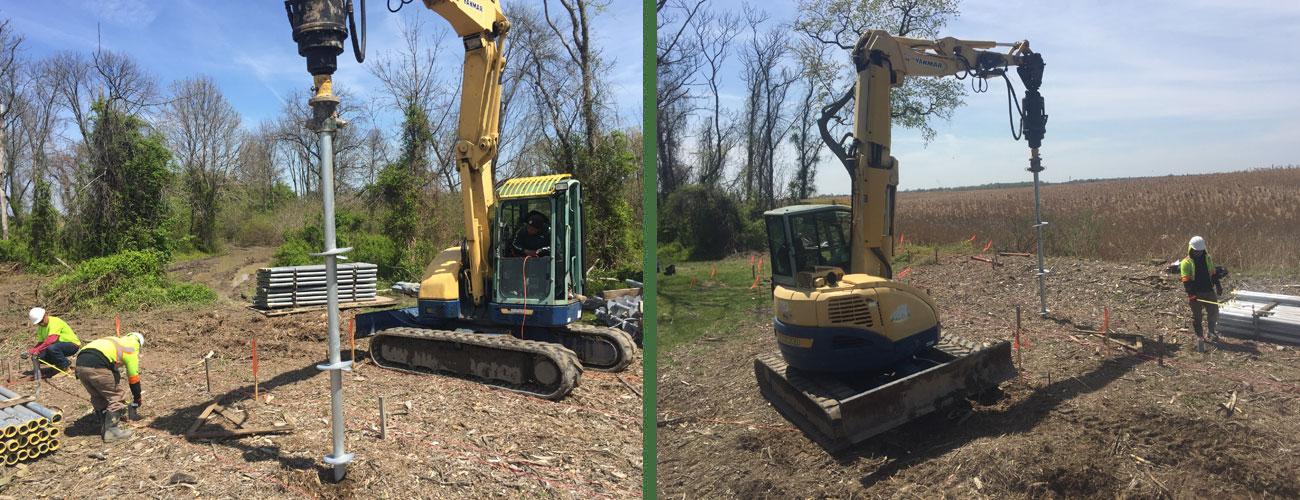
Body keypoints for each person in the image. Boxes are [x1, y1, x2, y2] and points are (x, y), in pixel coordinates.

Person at [74, 332, 145, 443]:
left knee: (98, 395)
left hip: (80, 364)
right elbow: (133, 379)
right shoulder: (130, 350)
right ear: (139, 345)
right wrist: (137, 398)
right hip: (97, 364)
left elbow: (110, 361)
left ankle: (104, 426)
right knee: (116, 395)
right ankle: (111, 431)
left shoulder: (114, 340)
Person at [1180, 236, 1224, 350]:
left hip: (1209, 290)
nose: (1199, 252)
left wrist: (1218, 285)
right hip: (1196, 292)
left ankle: (1211, 332)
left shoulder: (1208, 258)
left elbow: (1213, 273)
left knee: (1214, 311)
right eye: (1196, 250)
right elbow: (1185, 280)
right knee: (1197, 316)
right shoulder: (1186, 262)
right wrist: (1191, 294)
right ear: (1191, 249)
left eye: (1200, 250)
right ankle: (1200, 335)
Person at [24, 307, 81, 374]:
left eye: (41, 321)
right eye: (38, 323)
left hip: (72, 345)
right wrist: (30, 352)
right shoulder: (40, 328)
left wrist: (37, 350)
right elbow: (41, 343)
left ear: (46, 315)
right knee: (39, 357)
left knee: (52, 348)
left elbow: (51, 340)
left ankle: (65, 367)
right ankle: (60, 365)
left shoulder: (54, 322)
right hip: (56, 347)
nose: (41, 324)